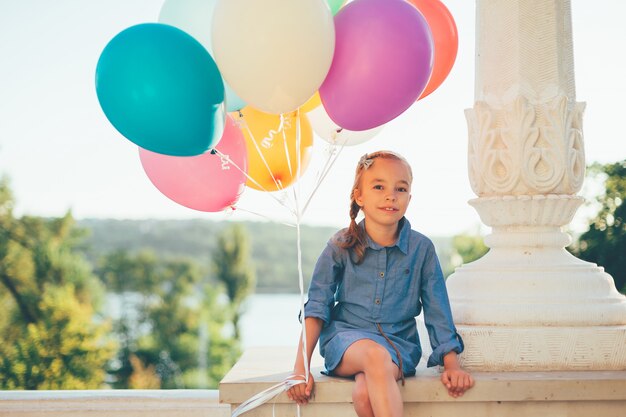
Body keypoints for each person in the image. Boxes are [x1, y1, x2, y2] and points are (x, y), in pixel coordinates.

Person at [286, 151, 474, 417]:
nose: (391, 195)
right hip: (346, 341)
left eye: (401, 188)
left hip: (399, 345)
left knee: (364, 392)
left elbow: (437, 310)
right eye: (379, 186)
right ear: (359, 196)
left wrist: (452, 364)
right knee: (374, 356)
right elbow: (317, 307)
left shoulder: (422, 249)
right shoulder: (339, 246)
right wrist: (300, 369)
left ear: (410, 197)